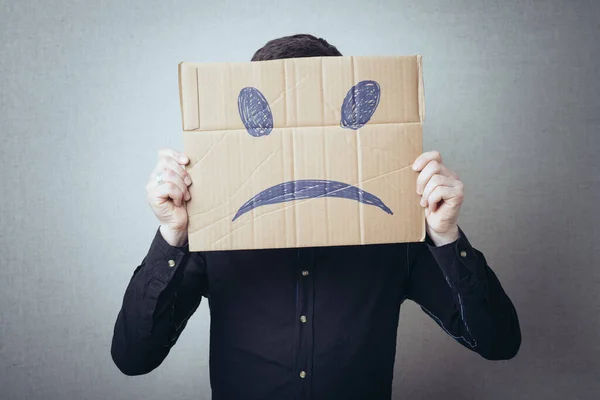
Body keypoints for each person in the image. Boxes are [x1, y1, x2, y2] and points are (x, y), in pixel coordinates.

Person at [111, 34, 521, 400]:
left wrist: (446, 237)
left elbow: (498, 341)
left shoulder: (394, 234)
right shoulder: (214, 234)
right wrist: (171, 235)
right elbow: (133, 356)